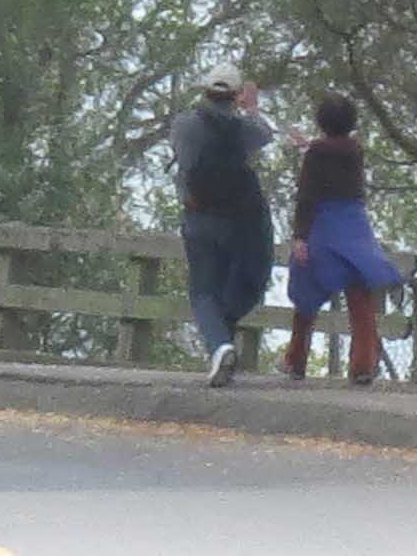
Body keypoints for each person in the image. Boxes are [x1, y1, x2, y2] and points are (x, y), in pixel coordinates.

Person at [282, 95, 404, 383]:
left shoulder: (316, 153)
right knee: (360, 294)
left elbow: (307, 196)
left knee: (307, 290)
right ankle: (363, 364)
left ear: (321, 121)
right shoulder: (355, 150)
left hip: (324, 223)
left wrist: (300, 236)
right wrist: (310, 146)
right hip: (354, 224)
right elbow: (334, 151)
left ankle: (296, 359)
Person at [169, 66, 279, 387]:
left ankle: (220, 345)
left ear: (204, 91)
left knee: (204, 291)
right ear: (236, 95)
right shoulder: (244, 128)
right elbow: (266, 133)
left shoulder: (184, 124)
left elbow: (182, 160)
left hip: (199, 216)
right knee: (248, 284)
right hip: (243, 221)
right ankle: (222, 340)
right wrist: (251, 108)